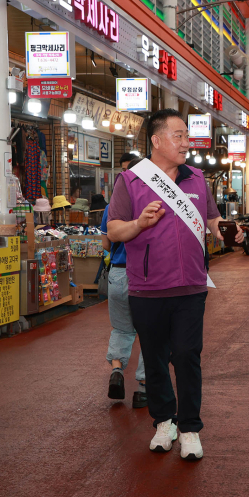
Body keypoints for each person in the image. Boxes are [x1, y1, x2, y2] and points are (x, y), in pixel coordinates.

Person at [107, 109, 243, 461]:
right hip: (146, 288)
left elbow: (211, 217)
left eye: (187, 135)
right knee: (154, 358)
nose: (187, 142)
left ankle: (190, 428)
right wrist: (139, 223)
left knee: (186, 355)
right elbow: (114, 231)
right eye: (179, 135)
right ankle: (164, 421)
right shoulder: (131, 180)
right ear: (156, 140)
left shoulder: (197, 178)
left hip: (191, 286)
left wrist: (223, 228)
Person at [103, 153, 146, 408]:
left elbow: (106, 242)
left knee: (121, 328)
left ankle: (117, 371)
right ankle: (143, 388)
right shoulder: (150, 202)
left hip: (118, 273)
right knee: (149, 332)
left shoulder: (112, 206)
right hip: (144, 273)